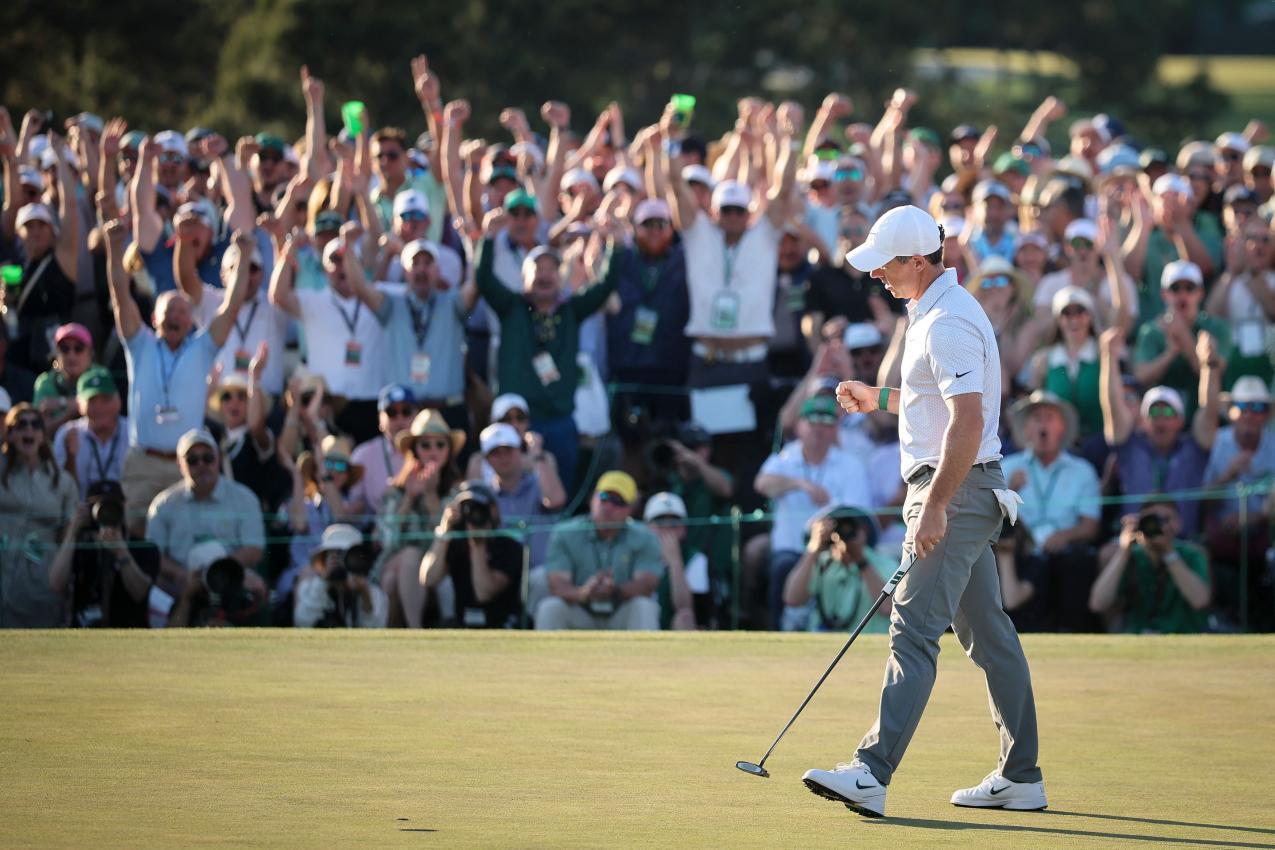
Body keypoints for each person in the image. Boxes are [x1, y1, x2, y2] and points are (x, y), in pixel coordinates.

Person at [804, 205, 1045, 817]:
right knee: (989, 634)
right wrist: (877, 398)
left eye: (885, 264)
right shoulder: (933, 311)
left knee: (911, 630)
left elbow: (967, 420)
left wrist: (935, 506)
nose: (877, 275)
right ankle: (1021, 777)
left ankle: (871, 772)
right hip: (961, 489)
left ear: (916, 260)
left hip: (954, 492)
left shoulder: (946, 322)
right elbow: (937, 400)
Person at [103, 218, 254, 526]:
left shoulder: (202, 348)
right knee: (137, 541)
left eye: (183, 311)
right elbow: (120, 293)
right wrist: (114, 245)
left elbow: (233, 303)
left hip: (187, 467)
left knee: (185, 547)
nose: (176, 315)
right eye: (169, 310)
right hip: (144, 464)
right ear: (154, 318)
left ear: (191, 321)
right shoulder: (139, 343)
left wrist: (246, 256)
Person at [475, 212, 622, 491]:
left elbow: (605, 287)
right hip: (516, 423)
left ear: (560, 276)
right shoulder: (512, 307)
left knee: (560, 490)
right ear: (523, 277)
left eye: (550, 269)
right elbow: (484, 279)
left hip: (560, 422)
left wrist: (615, 245)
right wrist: (488, 239)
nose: (544, 275)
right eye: (537, 269)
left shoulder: (571, 311)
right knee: (515, 490)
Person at [752, 395, 872, 630]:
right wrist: (800, 484)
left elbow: (858, 512)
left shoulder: (851, 464)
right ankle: (777, 635)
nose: (818, 428)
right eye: (812, 421)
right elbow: (761, 483)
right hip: (791, 551)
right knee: (782, 569)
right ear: (799, 426)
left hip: (835, 550)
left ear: (835, 428)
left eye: (826, 422)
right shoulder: (786, 456)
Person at [269, 224, 386, 444]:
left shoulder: (380, 298)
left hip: (372, 404)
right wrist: (289, 249)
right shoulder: (314, 300)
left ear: (359, 265)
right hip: (328, 406)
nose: (342, 267)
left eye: (347, 259)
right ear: (324, 270)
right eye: (334, 260)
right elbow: (278, 295)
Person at [1100, 327, 1221, 540]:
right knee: (1107, 555)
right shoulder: (1129, 446)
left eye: (1168, 411)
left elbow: (1210, 411)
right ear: (1144, 421)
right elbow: (1112, 407)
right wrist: (1108, 357)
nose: (1160, 418)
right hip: (1133, 543)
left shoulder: (1195, 448)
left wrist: (1208, 365)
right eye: (1154, 411)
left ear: (1181, 421)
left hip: (1183, 543)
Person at [1000, 391, 1102, 631]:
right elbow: (990, 518)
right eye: (1037, 418)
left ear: (1062, 428)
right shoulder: (1007, 468)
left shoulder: (1082, 470)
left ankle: (1073, 631)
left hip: (1064, 550)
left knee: (1077, 560)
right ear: (1026, 430)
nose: (1043, 425)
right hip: (1020, 549)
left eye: (1049, 418)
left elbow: (1090, 525)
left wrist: (1064, 536)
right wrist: (1009, 490)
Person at [145, 428, 266, 604]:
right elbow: (154, 555)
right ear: (180, 464)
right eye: (192, 460)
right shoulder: (163, 504)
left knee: (256, 587)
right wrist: (181, 574)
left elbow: (254, 548)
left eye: (208, 458)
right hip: (180, 584)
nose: (201, 464)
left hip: (231, 580)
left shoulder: (244, 498)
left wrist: (218, 572)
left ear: (218, 459)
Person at [535, 471, 663, 630]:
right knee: (550, 607)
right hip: (580, 609)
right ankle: (545, 656)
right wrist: (584, 592)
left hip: (621, 611)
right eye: (603, 497)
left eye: (618, 501)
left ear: (630, 509)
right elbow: (557, 585)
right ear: (592, 499)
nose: (608, 507)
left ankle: (647, 656)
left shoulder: (645, 537)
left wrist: (615, 591)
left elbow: (646, 585)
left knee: (644, 606)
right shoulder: (565, 532)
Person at [378, 409, 464, 627]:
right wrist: (409, 498)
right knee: (406, 559)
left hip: (440, 571)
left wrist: (431, 495)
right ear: (414, 450)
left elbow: (449, 544)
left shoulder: (458, 493)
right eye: (425, 445)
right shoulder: (395, 492)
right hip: (396, 569)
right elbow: (388, 542)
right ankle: (415, 631)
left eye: (440, 445)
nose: (433, 452)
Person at [1202, 376, 1275, 631]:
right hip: (1223, 536)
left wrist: (1255, 518)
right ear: (1232, 412)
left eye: (1258, 408)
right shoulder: (1218, 443)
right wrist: (1228, 475)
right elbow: (1204, 502)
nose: (1250, 414)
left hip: (1266, 534)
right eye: (1243, 407)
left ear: (1266, 414)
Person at [0, 404, 80, 627]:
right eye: (21, 425)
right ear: (10, 434)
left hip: (43, 573)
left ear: (43, 435)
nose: (29, 431)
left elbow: (67, 534)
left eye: (35, 425)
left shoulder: (60, 481)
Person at [48, 480, 159, 628]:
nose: (106, 512)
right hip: (84, 633)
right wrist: (73, 532)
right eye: (98, 506)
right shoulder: (80, 546)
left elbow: (139, 592)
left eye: (113, 505)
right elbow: (56, 584)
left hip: (129, 632)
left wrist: (121, 552)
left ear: (124, 507)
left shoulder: (143, 547)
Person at [1089, 500, 1211, 633]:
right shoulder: (1133, 556)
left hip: (1182, 633)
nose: (1159, 526)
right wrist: (1124, 550)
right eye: (1151, 520)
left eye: (1165, 519)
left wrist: (1168, 552)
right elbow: (1098, 604)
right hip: (1137, 636)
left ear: (1178, 524)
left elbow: (1200, 601)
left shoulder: (1192, 554)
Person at [1133, 259, 1231, 420]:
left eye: (1189, 288)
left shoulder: (1216, 329)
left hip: (1204, 418)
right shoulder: (1151, 331)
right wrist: (1170, 353)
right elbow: (1141, 377)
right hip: (1162, 418)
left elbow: (1215, 376)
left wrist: (1183, 336)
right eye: (1175, 288)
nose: (1182, 295)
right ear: (1164, 294)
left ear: (1200, 292)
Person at [419, 480, 525, 628]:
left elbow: (484, 593)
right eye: (467, 508)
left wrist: (478, 545)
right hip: (462, 625)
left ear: (493, 509)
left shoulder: (509, 547)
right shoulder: (456, 544)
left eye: (479, 507)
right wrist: (444, 531)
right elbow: (428, 579)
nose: (474, 514)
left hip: (502, 626)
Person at [781, 505, 892, 634]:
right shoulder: (821, 562)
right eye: (837, 526)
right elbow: (792, 599)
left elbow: (888, 607)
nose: (844, 532)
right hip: (822, 647)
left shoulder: (885, 564)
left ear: (865, 531)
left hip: (866, 645)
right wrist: (813, 550)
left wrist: (861, 561)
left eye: (852, 525)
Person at [294, 524, 388, 628]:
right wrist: (323, 582)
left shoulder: (373, 593)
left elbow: (377, 630)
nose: (337, 559)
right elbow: (302, 623)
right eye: (331, 553)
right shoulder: (309, 588)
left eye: (342, 553)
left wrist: (365, 596)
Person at [53, 366, 127, 499]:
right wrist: (71, 457)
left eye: (106, 399)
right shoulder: (67, 433)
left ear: (119, 401)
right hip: (81, 510)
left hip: (128, 509)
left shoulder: (134, 433)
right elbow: (61, 491)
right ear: (79, 405)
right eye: (91, 401)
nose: (99, 407)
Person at [347, 384, 418, 518]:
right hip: (379, 531)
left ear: (417, 416)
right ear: (380, 419)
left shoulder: (431, 448)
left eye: (406, 411)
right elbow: (354, 508)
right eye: (392, 412)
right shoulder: (362, 455)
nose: (400, 419)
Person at [643, 491, 700, 630]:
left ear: (684, 528)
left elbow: (685, 607)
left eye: (674, 523)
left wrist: (675, 561)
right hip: (639, 627)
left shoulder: (696, 559)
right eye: (660, 522)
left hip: (672, 632)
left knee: (684, 618)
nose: (667, 528)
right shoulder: (637, 553)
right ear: (647, 527)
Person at [33, 323, 95, 435]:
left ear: (89, 353)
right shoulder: (45, 382)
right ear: (56, 354)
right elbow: (40, 430)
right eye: (64, 349)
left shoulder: (99, 375)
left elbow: (101, 411)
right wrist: (73, 412)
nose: (71, 356)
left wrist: (62, 403)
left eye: (78, 348)